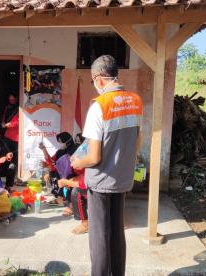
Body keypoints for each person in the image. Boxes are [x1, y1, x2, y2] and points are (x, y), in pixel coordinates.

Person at [71, 55, 143, 276]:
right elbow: (137, 143)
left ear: (99, 79)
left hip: (101, 183)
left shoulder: (99, 107)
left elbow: (93, 157)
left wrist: (77, 162)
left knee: (99, 236)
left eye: (93, 82)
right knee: (116, 234)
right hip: (122, 180)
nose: (95, 86)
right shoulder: (135, 101)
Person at [39, 132, 78, 213]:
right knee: (52, 173)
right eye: (59, 142)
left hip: (73, 174)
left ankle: (70, 203)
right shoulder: (60, 152)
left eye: (61, 142)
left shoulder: (75, 150)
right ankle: (60, 197)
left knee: (69, 177)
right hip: (62, 174)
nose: (60, 144)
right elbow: (51, 161)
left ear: (67, 141)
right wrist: (44, 149)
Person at [55, 155, 88, 234]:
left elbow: (84, 183)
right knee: (72, 185)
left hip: (101, 190)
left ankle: (85, 223)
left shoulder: (85, 163)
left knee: (77, 191)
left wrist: (66, 182)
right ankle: (72, 205)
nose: (72, 165)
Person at [1, 94, 19, 166]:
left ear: (16, 99)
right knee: (6, 152)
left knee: (15, 154)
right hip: (7, 134)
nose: (11, 101)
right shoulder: (7, 107)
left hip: (16, 135)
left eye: (13, 100)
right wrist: (3, 123)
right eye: (10, 100)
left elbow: (18, 121)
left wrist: (8, 125)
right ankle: (7, 168)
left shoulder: (19, 108)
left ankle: (14, 168)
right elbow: (4, 117)